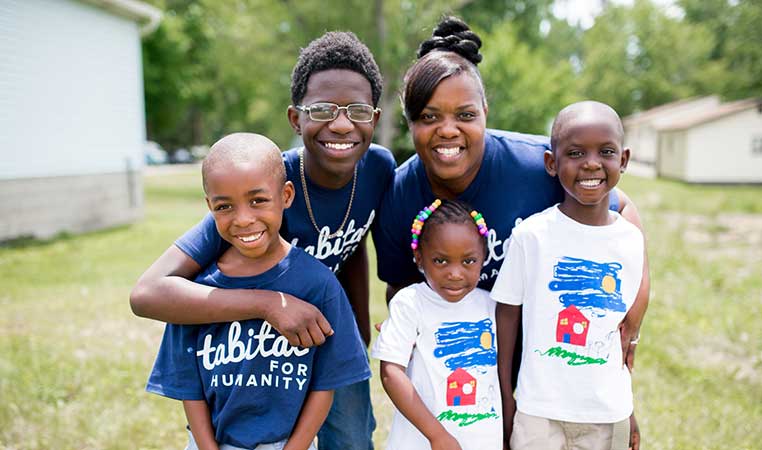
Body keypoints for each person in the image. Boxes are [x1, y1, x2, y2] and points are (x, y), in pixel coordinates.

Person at [372, 16, 648, 449]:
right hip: (465, 380)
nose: (448, 130)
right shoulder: (401, 194)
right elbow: (401, 288)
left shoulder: (534, 165)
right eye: (429, 117)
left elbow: (622, 207)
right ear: (409, 122)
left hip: (547, 372)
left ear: (486, 113)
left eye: (465, 115)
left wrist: (633, 312)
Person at [131, 31, 394, 450]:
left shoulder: (378, 169)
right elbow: (146, 295)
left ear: (375, 118)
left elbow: (354, 242)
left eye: (357, 110)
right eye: (322, 109)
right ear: (296, 119)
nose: (341, 123)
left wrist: (357, 332)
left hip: (325, 330)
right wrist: (269, 303)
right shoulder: (263, 187)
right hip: (259, 353)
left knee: (350, 436)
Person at [146, 133, 371, 450]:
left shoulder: (318, 284)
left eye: (258, 201)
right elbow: (189, 387)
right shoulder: (197, 294)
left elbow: (326, 384)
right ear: (209, 207)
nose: (243, 219)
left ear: (287, 195)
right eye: (224, 206)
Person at [491, 101, 644, 450]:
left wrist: (628, 408)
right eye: (575, 152)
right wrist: (505, 395)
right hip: (537, 413)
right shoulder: (532, 236)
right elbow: (507, 315)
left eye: (605, 151)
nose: (591, 163)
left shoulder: (630, 240)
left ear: (623, 159)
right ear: (551, 162)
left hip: (607, 415)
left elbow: (622, 337)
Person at [372, 199, 502, 450]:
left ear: (483, 257)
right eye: (441, 261)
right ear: (419, 259)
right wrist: (437, 435)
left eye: (468, 261)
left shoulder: (491, 305)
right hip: (421, 442)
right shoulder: (411, 303)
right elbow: (390, 373)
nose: (455, 273)